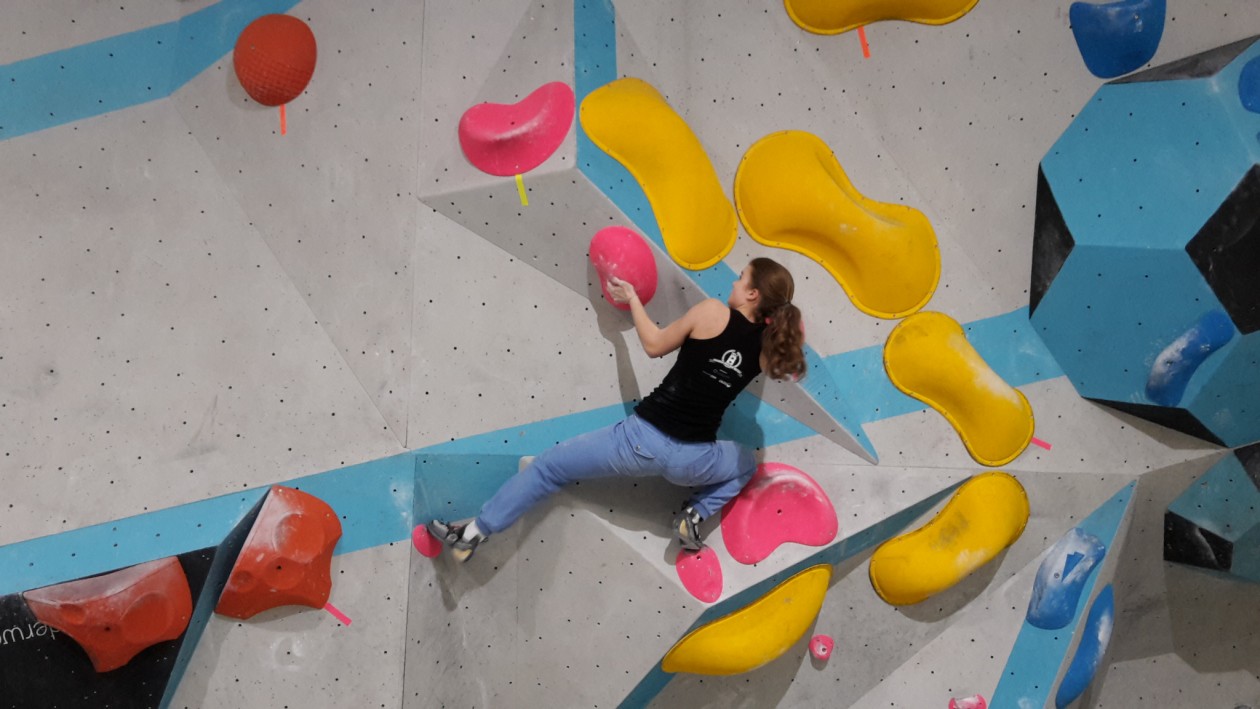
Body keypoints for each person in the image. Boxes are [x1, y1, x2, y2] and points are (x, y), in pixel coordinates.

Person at [428, 257, 807, 562]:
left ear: (753, 293)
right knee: (743, 463)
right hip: (693, 461)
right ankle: (694, 513)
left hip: (640, 443)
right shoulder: (767, 350)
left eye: (741, 279)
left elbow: (654, 345)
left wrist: (633, 301)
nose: (733, 284)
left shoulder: (711, 312)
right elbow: (785, 361)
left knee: (547, 468)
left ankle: (472, 534)